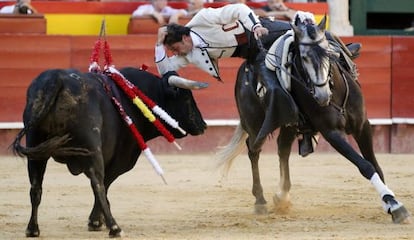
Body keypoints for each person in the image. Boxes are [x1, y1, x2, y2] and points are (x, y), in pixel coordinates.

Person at [154, 5, 359, 156]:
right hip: (254, 55)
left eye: (173, 49)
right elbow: (165, 70)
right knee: (275, 89)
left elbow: (238, 9)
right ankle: (305, 131)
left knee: (310, 37)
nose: (174, 54)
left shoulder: (202, 18)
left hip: (264, 33)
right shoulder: (186, 55)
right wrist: (158, 43)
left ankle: (343, 55)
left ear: (183, 39)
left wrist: (256, 26)